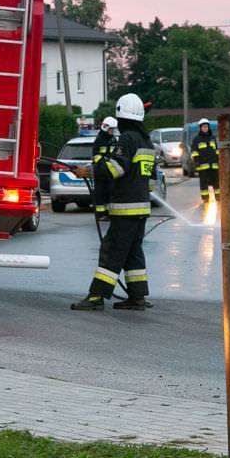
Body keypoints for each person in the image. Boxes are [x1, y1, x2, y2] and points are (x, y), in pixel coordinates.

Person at [71, 94, 155, 311]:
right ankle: (137, 297)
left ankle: (96, 296)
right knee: (132, 253)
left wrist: (87, 171)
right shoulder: (146, 141)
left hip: (125, 208)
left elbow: (115, 168)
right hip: (141, 208)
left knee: (112, 251)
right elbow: (152, 180)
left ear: (121, 114)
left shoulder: (127, 139)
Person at [91, 117, 118, 219]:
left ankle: (109, 213)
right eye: (111, 129)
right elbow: (96, 156)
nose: (113, 131)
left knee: (110, 193)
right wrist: (103, 164)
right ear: (106, 128)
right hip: (100, 173)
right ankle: (100, 214)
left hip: (111, 172)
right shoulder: (99, 140)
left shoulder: (113, 139)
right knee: (100, 194)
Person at [191, 118, 220, 203]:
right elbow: (194, 151)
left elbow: (217, 150)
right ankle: (205, 198)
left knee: (216, 182)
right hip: (202, 166)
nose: (205, 128)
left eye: (206, 126)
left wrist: (218, 159)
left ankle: (218, 197)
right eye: (203, 127)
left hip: (214, 165)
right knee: (204, 183)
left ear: (208, 127)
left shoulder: (213, 138)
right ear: (200, 128)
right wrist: (196, 161)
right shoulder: (196, 139)